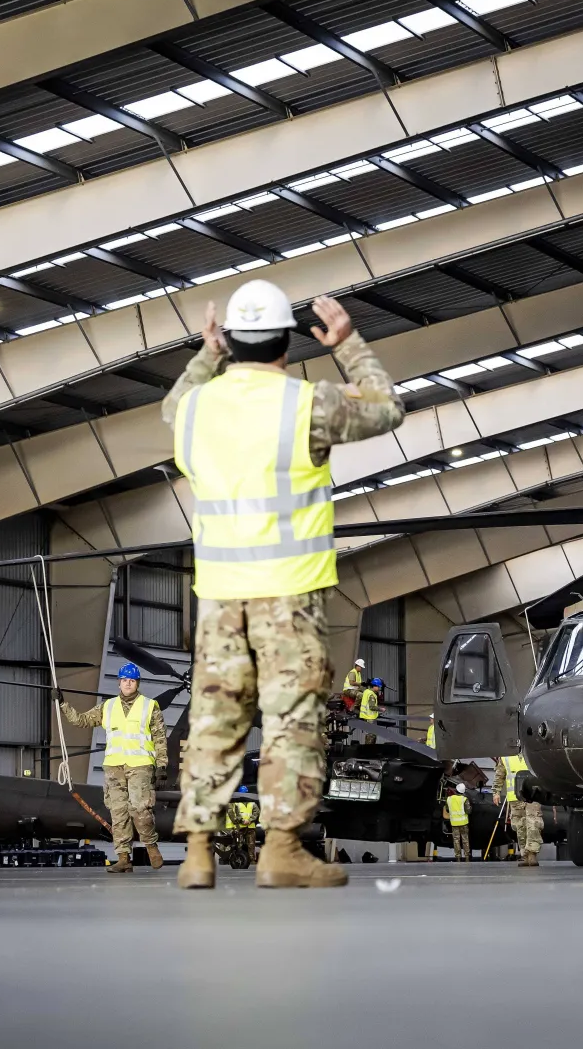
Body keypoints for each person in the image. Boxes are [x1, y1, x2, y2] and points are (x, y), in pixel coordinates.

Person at [163, 281, 404, 889]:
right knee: (291, 719)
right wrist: (348, 345)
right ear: (289, 344)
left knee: (215, 717)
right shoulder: (309, 404)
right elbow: (385, 407)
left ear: (232, 342)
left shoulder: (192, 408)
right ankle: (281, 849)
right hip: (289, 593)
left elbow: (180, 396)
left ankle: (197, 852)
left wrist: (206, 351)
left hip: (219, 594)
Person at [59, 663, 168, 872]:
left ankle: (151, 846)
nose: (128, 683)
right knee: (118, 812)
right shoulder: (107, 707)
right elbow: (82, 720)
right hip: (114, 767)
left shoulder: (150, 706)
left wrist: (162, 766)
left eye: (132, 680)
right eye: (125, 680)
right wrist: (63, 704)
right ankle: (123, 857)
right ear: (119, 682)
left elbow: (160, 738)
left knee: (139, 808)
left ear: (137, 683)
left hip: (140, 765)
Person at [494, 753, 542, 867]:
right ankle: (524, 854)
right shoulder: (505, 756)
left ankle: (532, 853)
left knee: (533, 823)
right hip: (514, 797)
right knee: (520, 827)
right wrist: (496, 791)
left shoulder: (532, 752)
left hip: (533, 794)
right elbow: (500, 774)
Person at [444, 782, 471, 862]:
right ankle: (467, 857)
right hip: (464, 823)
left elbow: (447, 809)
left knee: (456, 840)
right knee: (465, 840)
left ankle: (458, 857)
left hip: (454, 823)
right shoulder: (464, 799)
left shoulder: (449, 799)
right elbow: (468, 811)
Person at [359, 677, 382, 744]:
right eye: (378, 687)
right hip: (370, 718)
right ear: (374, 686)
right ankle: (369, 752)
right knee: (371, 736)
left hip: (366, 717)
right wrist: (380, 709)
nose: (379, 689)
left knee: (369, 735)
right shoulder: (371, 695)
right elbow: (372, 707)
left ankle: (368, 750)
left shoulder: (366, 691)